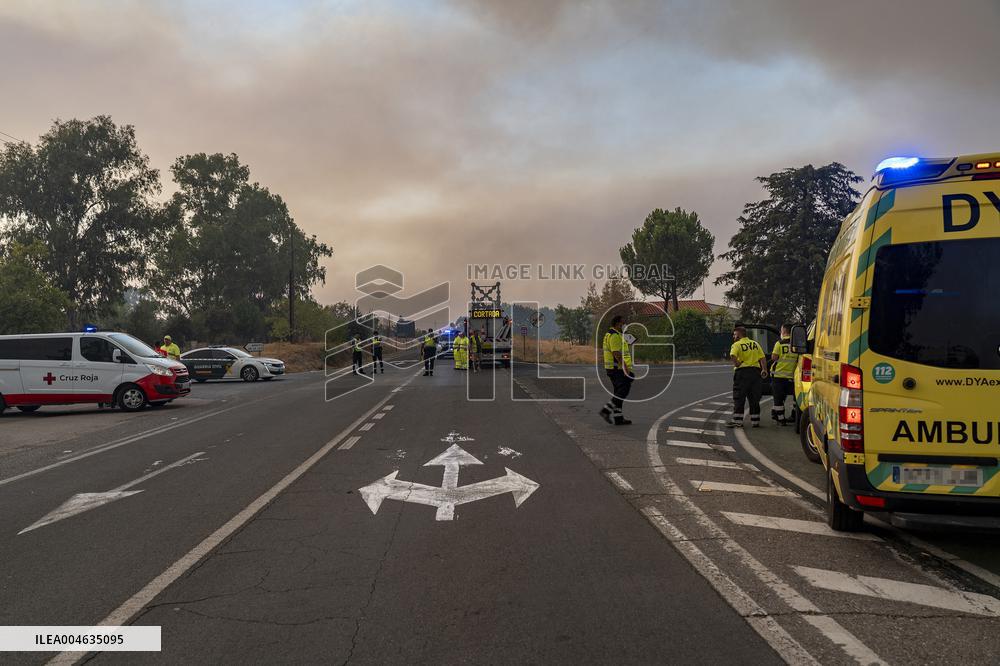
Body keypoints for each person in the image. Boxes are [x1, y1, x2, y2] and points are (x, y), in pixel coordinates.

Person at [726, 325, 768, 428]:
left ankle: (737, 420)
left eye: (735, 334)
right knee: (754, 397)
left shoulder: (736, 345)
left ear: (739, 335)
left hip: (742, 373)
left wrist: (737, 363)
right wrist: (764, 370)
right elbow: (762, 358)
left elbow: (732, 355)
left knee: (739, 397)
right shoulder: (755, 344)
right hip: (755, 373)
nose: (733, 337)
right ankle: (755, 420)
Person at [599, 315, 633, 426]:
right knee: (622, 391)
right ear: (618, 324)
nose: (624, 325)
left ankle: (618, 418)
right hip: (616, 369)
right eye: (623, 323)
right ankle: (606, 411)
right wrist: (625, 368)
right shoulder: (614, 336)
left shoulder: (613, 334)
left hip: (614, 369)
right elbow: (616, 354)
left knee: (618, 393)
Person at [770, 324, 798, 425]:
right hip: (791, 376)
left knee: (778, 398)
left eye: (781, 330)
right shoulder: (796, 344)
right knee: (792, 397)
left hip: (778, 376)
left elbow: (774, 357)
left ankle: (781, 419)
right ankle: (794, 415)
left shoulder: (779, 343)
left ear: (784, 331)